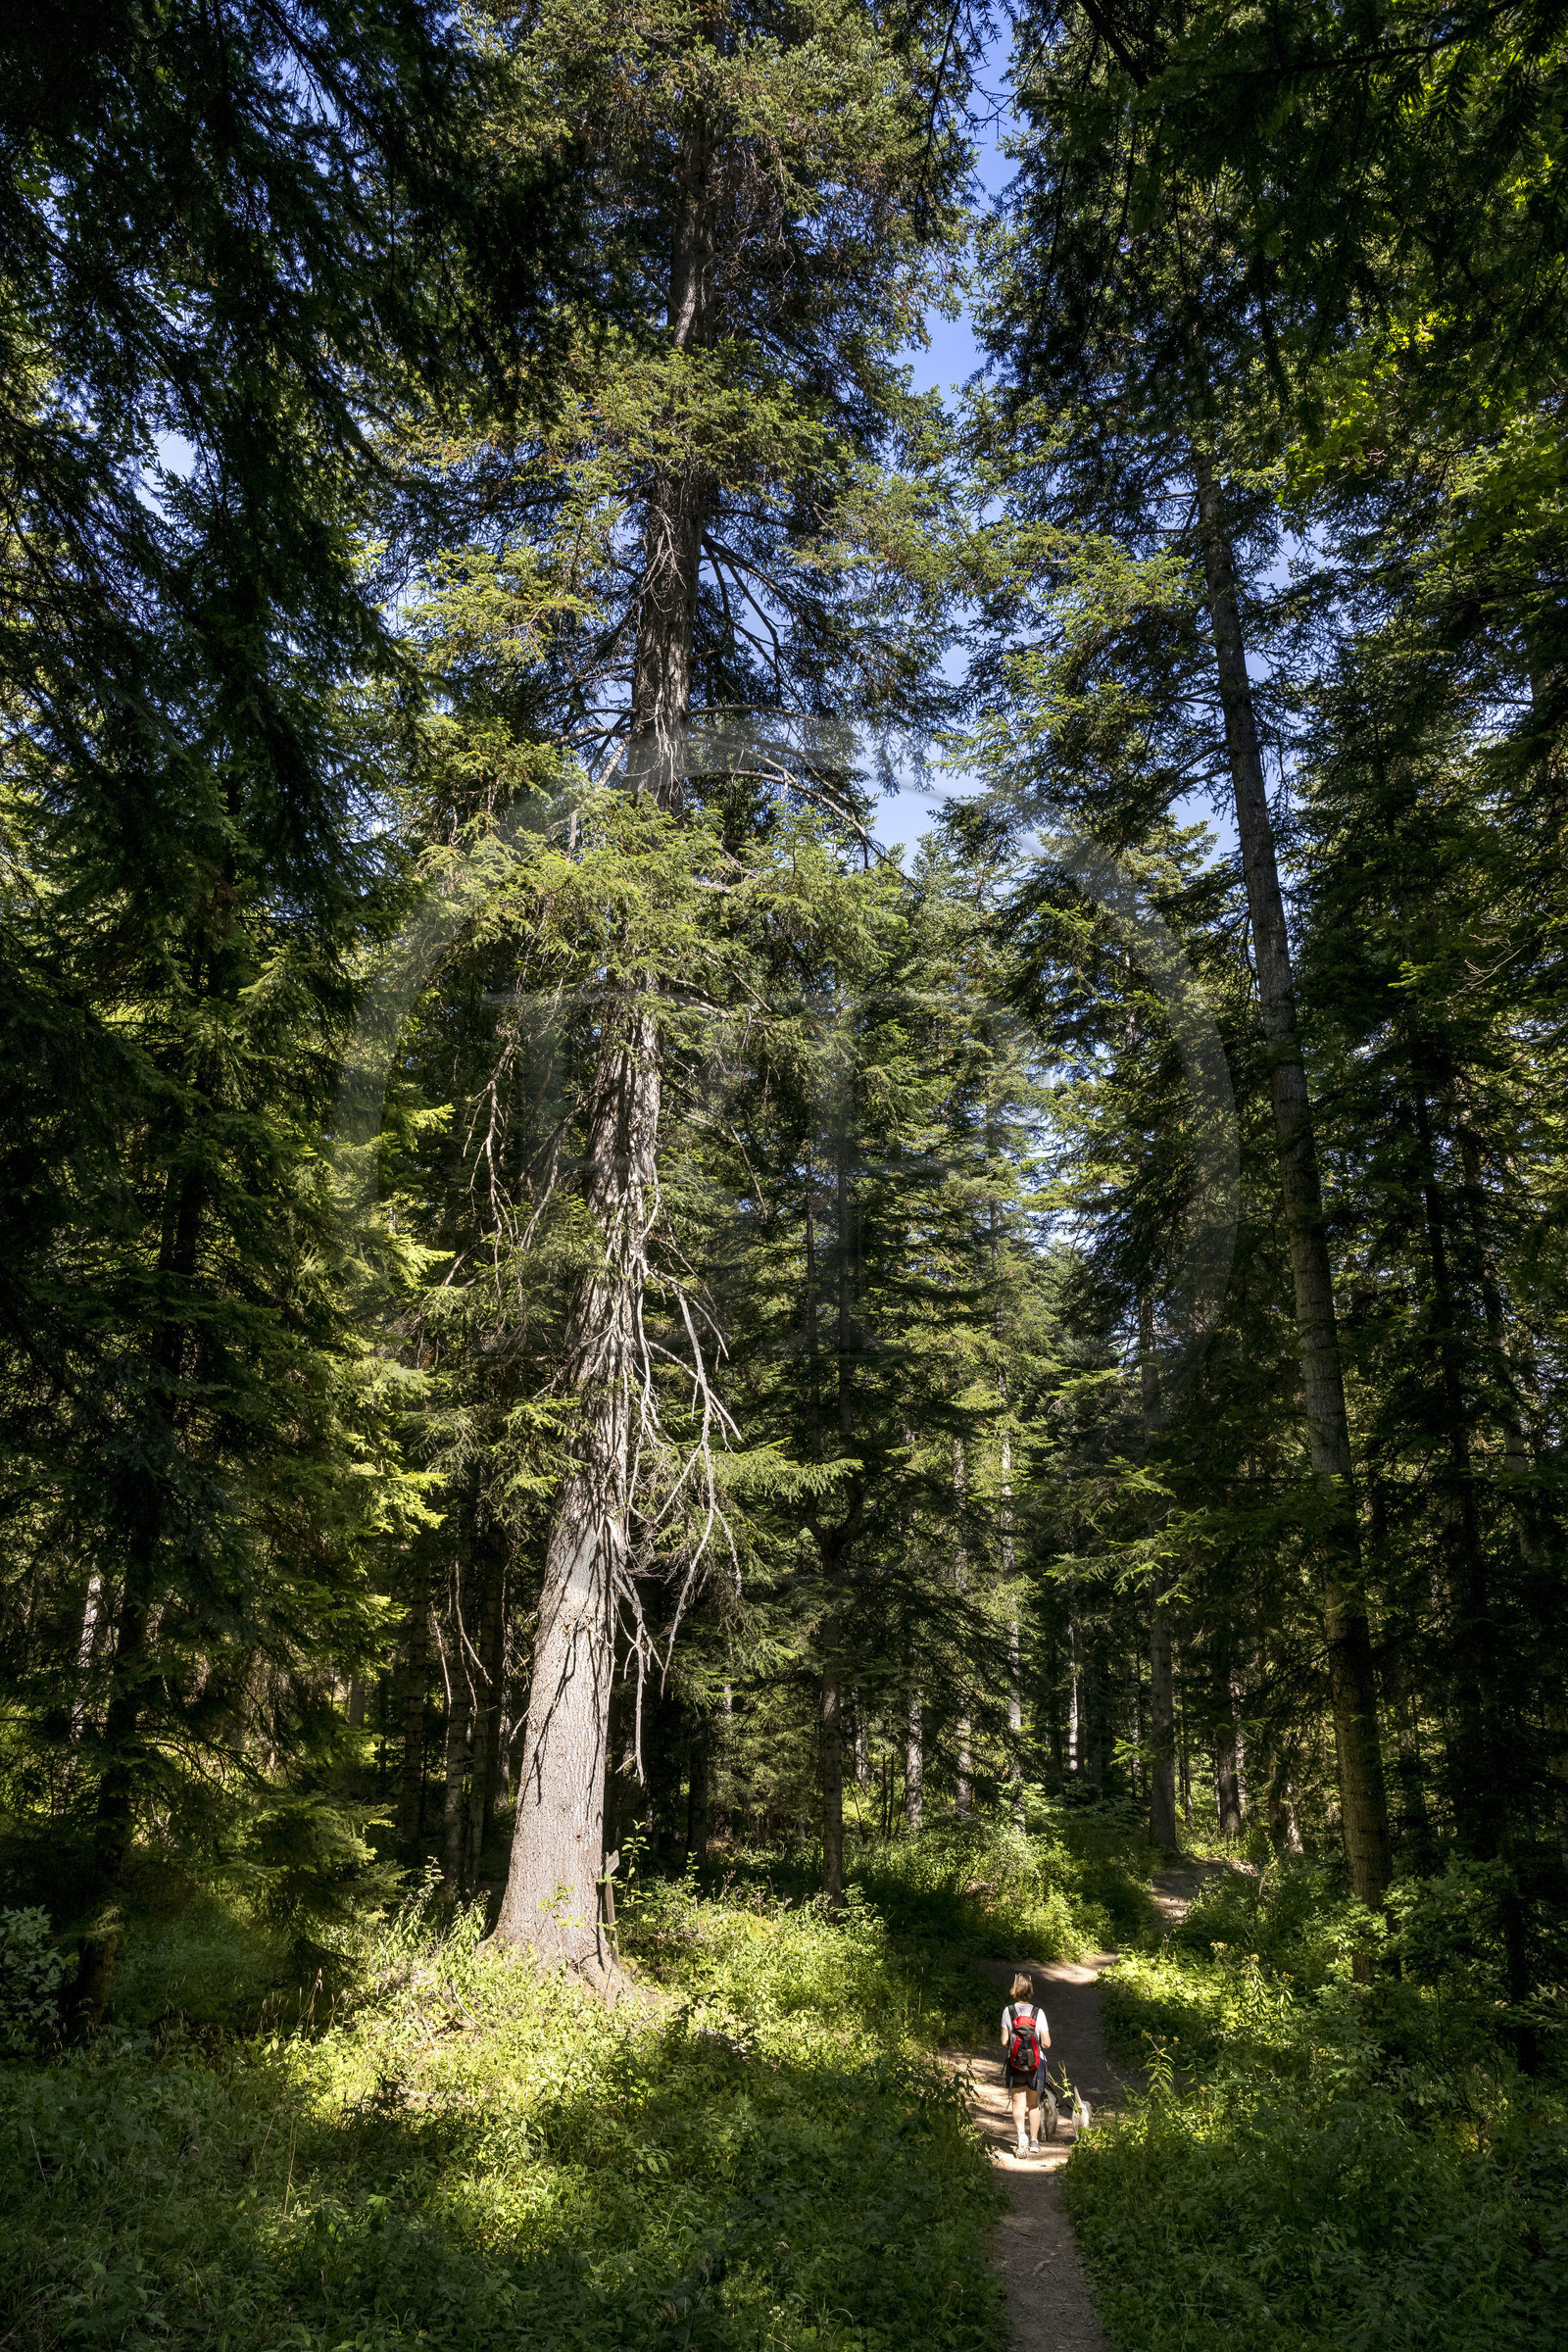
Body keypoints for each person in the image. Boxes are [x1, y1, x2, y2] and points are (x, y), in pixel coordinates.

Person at [1000, 1971, 1052, 2156]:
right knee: (1034, 2104)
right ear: (1031, 1989)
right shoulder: (1039, 2013)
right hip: (1036, 2065)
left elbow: (1005, 2042)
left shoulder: (1008, 2011)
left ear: (1015, 1989)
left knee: (1017, 2103)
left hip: (1015, 2064)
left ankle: (1021, 2134)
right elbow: (1046, 2043)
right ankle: (1034, 2141)